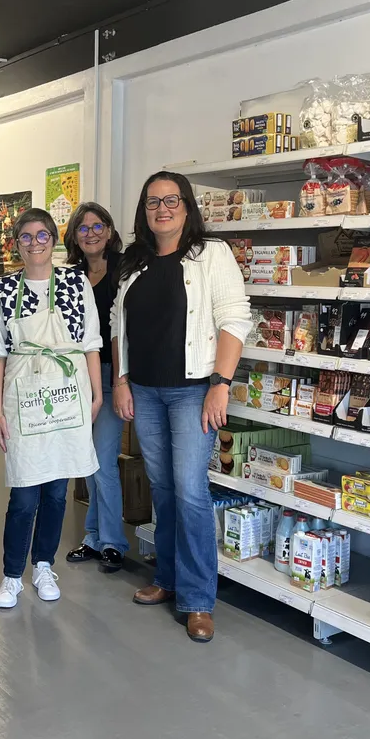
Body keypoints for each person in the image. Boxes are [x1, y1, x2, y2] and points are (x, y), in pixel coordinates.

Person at [111, 171, 250, 642]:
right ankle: (167, 579)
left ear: (187, 207)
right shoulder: (134, 261)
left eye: (171, 200)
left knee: (190, 491)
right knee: (163, 489)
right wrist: (121, 379)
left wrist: (221, 383)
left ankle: (197, 599)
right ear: (143, 211)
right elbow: (117, 328)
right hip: (145, 391)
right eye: (153, 202)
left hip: (193, 390)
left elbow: (234, 318)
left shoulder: (212, 255)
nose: (162, 209)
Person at [0, 208, 103, 609]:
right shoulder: (3, 289)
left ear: (54, 240)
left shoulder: (74, 281)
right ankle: (12, 574)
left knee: (56, 491)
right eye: (26, 237)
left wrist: (98, 394)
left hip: (68, 392)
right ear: (16, 244)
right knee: (23, 493)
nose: (35, 243)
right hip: (23, 397)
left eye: (42, 235)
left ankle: (43, 565)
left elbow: (91, 341)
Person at [61, 203, 128, 572]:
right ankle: (93, 537)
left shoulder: (125, 269)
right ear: (74, 236)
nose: (90, 233)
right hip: (77, 377)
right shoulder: (71, 277)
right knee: (88, 460)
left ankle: (114, 541)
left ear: (109, 229)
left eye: (97, 225)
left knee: (102, 462)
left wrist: (122, 380)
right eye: (82, 228)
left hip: (110, 374)